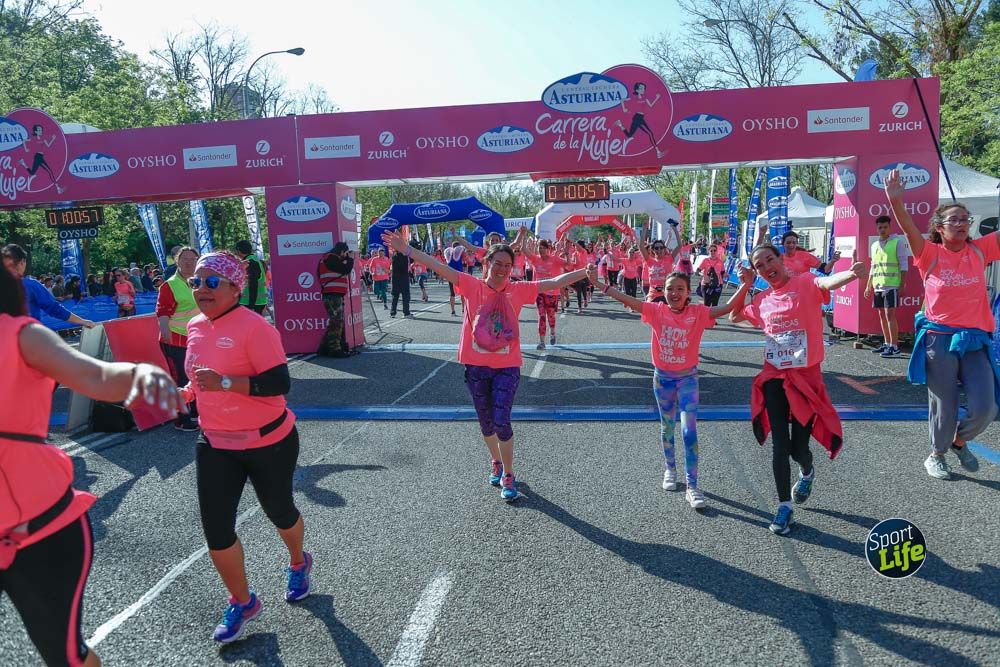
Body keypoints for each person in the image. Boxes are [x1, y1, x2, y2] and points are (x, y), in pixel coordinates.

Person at [1, 261, 182, 667]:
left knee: (65, 657)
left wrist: (138, 374)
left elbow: (96, 376)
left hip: (39, 529)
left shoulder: (20, 335)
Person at [381, 227, 590, 501]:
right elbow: (437, 266)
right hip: (476, 366)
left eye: (507, 265)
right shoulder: (471, 285)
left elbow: (554, 282)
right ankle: (496, 460)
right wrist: (407, 250)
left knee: (502, 420)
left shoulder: (518, 290)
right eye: (497, 264)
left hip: (507, 367)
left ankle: (509, 473)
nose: (503, 269)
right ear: (486, 263)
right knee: (486, 423)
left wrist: (586, 271)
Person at [181, 251, 310, 643]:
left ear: (236, 287)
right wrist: (180, 395)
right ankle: (242, 600)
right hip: (215, 441)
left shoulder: (256, 328)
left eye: (212, 282)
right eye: (196, 282)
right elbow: (198, 380)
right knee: (216, 530)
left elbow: (278, 384)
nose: (201, 289)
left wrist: (224, 383)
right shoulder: (194, 327)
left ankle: (298, 561)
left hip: (268, 440)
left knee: (280, 511)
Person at [588, 264, 754, 509]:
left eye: (680, 289)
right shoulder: (656, 311)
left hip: (688, 379)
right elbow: (625, 298)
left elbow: (728, 308)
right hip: (662, 379)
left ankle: (693, 486)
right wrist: (599, 283)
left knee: (689, 431)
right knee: (667, 428)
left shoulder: (698, 313)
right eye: (669, 289)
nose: (674, 293)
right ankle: (670, 469)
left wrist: (747, 283)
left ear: (689, 291)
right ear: (663, 291)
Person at [731, 244, 865, 536]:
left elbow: (826, 282)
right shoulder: (764, 299)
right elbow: (734, 316)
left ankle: (807, 471)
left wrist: (851, 275)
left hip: (805, 379)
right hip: (775, 378)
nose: (767, 266)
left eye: (770, 259)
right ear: (758, 272)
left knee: (797, 449)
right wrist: (745, 286)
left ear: (781, 260)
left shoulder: (805, 283)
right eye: (760, 265)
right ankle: (784, 508)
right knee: (780, 444)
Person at [884, 169, 996, 480]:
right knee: (944, 407)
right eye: (955, 220)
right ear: (940, 227)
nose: (962, 223)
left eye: (965, 219)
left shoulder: (979, 249)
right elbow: (907, 229)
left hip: (975, 339)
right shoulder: (929, 252)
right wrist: (895, 201)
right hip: (940, 339)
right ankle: (937, 454)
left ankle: (959, 442)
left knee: (986, 407)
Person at [156, 246, 200, 431]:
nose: (189, 262)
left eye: (192, 259)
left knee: (197, 376)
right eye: (185, 259)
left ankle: (197, 413)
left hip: (197, 339)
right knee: (181, 378)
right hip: (175, 338)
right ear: (177, 262)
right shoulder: (170, 285)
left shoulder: (201, 282)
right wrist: (164, 328)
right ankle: (181, 418)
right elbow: (162, 310)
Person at [1, 245, 96, 330]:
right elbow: (54, 308)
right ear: (22, 262)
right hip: (27, 338)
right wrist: (83, 321)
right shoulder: (30, 285)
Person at [863, 215, 910, 358]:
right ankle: (887, 343)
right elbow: (873, 266)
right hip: (878, 285)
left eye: (885, 227)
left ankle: (894, 347)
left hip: (892, 285)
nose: (882, 230)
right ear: (877, 228)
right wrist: (868, 285)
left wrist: (902, 284)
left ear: (890, 227)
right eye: (880, 227)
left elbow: (904, 265)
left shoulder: (898, 242)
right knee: (881, 315)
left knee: (890, 315)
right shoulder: (874, 245)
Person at [523, 237, 569, 349]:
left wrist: (567, 253)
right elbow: (524, 250)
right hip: (539, 293)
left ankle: (552, 332)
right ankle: (542, 341)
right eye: (539, 247)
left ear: (548, 249)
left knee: (551, 316)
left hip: (552, 293)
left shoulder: (554, 259)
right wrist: (523, 237)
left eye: (543, 247)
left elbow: (567, 264)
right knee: (541, 316)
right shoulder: (535, 259)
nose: (541, 249)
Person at [316, 242, 355, 358]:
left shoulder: (329, 258)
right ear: (342, 251)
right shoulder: (330, 258)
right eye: (346, 253)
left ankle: (323, 348)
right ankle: (335, 349)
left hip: (334, 294)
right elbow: (345, 269)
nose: (346, 256)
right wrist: (350, 260)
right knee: (337, 322)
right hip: (332, 295)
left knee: (335, 321)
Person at [613, 82, 665, 158]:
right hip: (637, 118)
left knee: (629, 135)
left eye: (644, 88)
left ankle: (620, 124)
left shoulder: (645, 97)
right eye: (641, 88)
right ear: (637, 90)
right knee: (650, 133)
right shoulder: (633, 97)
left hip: (640, 118)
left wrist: (657, 98)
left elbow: (651, 105)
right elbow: (622, 100)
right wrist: (624, 109)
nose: (643, 89)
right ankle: (658, 152)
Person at [638, 223, 681, 303]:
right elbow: (641, 247)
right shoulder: (649, 260)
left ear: (664, 249)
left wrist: (675, 230)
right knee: (649, 314)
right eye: (656, 248)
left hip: (667, 294)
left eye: (661, 248)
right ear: (653, 250)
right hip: (653, 295)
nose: (659, 250)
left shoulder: (669, 259)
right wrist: (644, 230)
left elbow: (679, 246)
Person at [18, 123, 64, 194]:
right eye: (39, 130)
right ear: (35, 131)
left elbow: (48, 145)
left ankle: (23, 163)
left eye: (41, 130)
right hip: (38, 157)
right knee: (49, 171)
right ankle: (58, 189)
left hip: (40, 157)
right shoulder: (33, 138)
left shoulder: (43, 138)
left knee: (33, 173)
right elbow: (24, 140)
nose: (41, 131)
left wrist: (52, 139)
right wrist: (26, 149)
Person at [233, 241, 267, 314]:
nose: (235, 253)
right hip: (256, 302)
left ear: (238, 250)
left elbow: (253, 284)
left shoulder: (250, 263)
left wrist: (251, 306)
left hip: (252, 303)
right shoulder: (255, 260)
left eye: (235, 250)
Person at [442, 242, 465, 316]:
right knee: (462, 293)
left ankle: (453, 311)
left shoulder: (448, 254)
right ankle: (463, 309)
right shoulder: (460, 253)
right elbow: (465, 258)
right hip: (459, 274)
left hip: (450, 274)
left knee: (452, 293)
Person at [390, 246, 412, 318]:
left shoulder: (394, 256)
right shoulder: (404, 256)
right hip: (403, 278)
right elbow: (411, 260)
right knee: (405, 296)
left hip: (395, 278)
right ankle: (406, 313)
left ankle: (393, 312)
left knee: (395, 296)